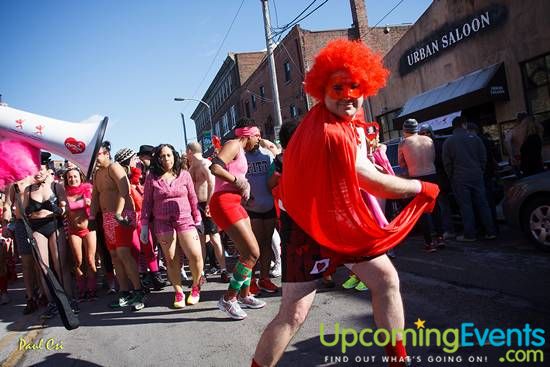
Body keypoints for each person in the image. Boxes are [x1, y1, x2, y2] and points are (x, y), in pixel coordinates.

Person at [252, 39, 439, 367]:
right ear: (322, 90)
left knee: (385, 280)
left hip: (337, 219)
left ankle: (398, 361)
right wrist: (419, 187)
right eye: (338, 87)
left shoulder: (334, 123)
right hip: (309, 227)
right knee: (294, 313)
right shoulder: (332, 131)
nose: (348, 95)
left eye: (355, 86)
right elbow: (370, 179)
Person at [209, 118, 267, 320]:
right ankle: (228, 298)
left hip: (235, 202)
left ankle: (244, 295)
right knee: (252, 252)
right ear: (247, 134)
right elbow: (215, 167)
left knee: (247, 253)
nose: (258, 140)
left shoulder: (242, 150)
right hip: (224, 202)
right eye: (257, 135)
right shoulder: (233, 144)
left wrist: (244, 187)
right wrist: (238, 181)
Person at [140, 144, 204, 308]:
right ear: (157, 159)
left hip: (185, 219)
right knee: (171, 259)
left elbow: (192, 197)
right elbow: (146, 203)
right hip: (162, 222)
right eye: (162, 156)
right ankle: (178, 292)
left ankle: (196, 287)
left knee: (196, 255)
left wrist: (198, 218)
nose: (166, 159)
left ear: (174, 156)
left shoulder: (184, 174)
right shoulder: (151, 177)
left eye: (168, 155)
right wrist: (145, 225)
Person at [90, 141, 146, 310]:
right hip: (107, 217)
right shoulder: (97, 173)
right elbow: (95, 196)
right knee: (114, 255)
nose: (96, 159)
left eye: (98, 155)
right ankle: (125, 292)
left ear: (107, 153)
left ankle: (138, 291)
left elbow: (125, 191)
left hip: (123, 215)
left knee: (123, 252)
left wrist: (119, 213)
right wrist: (92, 216)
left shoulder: (114, 168)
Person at [114, 148, 165, 292]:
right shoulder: (121, 178)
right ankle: (142, 278)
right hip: (129, 215)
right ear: (128, 160)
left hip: (140, 214)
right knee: (136, 249)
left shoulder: (138, 174)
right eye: (132, 159)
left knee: (147, 245)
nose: (135, 161)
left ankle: (155, 275)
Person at [442, 117, 497, 241]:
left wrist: (451, 175)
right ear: (464, 125)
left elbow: (447, 163)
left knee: (465, 206)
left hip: (459, 177)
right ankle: (490, 231)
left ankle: (470, 234)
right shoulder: (475, 139)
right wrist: (480, 170)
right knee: (483, 204)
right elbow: (483, 157)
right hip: (476, 175)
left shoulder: (449, 142)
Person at [186, 142, 230, 283]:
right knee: (200, 240)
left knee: (214, 237)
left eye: (187, 153)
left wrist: (210, 204)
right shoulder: (191, 166)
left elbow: (212, 183)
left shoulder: (205, 164)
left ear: (189, 151)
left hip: (206, 204)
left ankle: (223, 270)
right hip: (196, 206)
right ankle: (201, 273)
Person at [244, 133, 280, 295]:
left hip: (269, 205)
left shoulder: (267, 155)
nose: (257, 138)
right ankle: (250, 281)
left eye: (259, 135)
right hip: (251, 208)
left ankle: (264, 278)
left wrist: (272, 148)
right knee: (253, 248)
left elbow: (276, 173)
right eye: (254, 135)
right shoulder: (240, 158)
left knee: (266, 245)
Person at [398, 119, 440, 252]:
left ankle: (429, 243)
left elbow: (401, 164)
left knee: (421, 211)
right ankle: (440, 237)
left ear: (405, 130)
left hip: (416, 176)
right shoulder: (428, 140)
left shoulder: (403, 143)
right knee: (435, 207)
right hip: (432, 174)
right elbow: (433, 158)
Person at [63, 167, 97, 301]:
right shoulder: (64, 193)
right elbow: (64, 208)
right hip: (74, 231)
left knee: (90, 260)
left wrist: (76, 204)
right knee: (78, 261)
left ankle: (92, 288)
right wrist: (82, 203)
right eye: (70, 177)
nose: (73, 179)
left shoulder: (88, 189)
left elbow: (91, 203)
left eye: (75, 176)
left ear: (80, 177)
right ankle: (82, 288)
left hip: (89, 229)